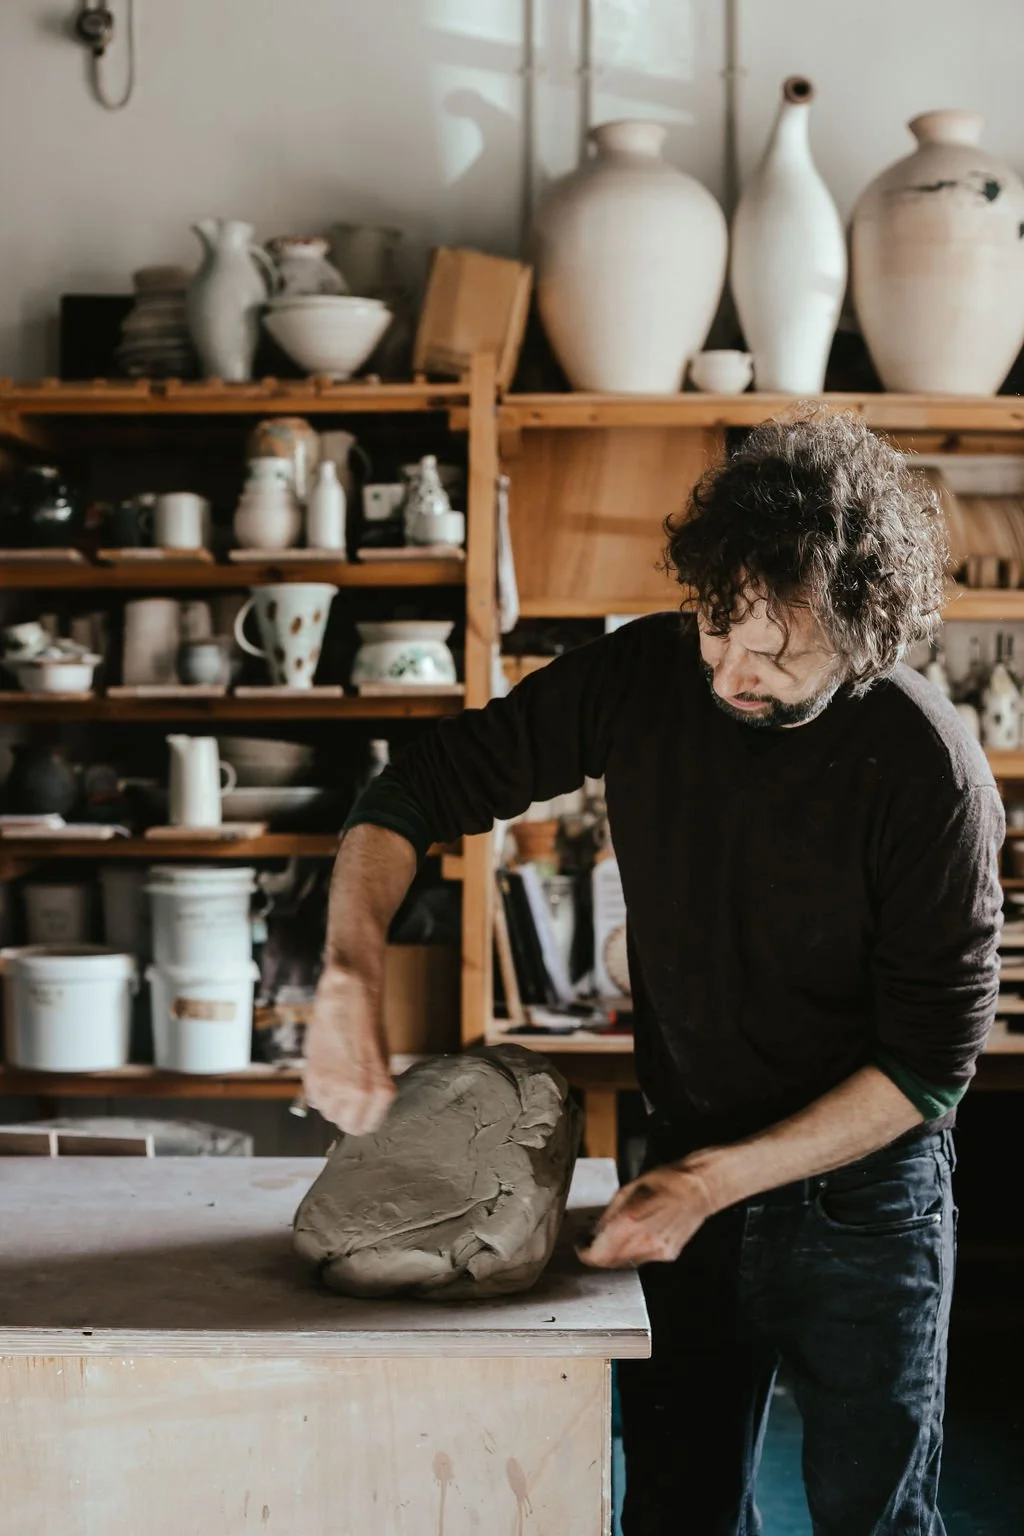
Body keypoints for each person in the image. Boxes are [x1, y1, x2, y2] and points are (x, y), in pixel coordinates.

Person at [305, 411, 1003, 1535]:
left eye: (775, 654)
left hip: (866, 1201)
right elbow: (413, 792)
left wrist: (712, 1183)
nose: (731, 672)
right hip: (686, 1151)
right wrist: (347, 973)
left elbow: (928, 1070)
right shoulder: (644, 674)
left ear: (863, 634)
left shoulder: (928, 773)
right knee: (676, 1508)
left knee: (872, 1518)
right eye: (719, 628)